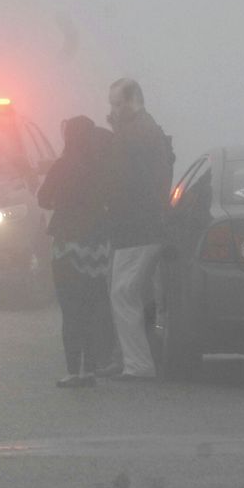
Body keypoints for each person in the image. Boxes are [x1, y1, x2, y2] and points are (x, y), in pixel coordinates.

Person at [102, 79, 175, 380]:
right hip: (145, 225)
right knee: (134, 294)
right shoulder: (148, 129)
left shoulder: (134, 134)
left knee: (122, 293)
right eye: (111, 104)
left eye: (117, 104)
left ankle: (138, 364)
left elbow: (123, 181)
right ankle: (136, 359)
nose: (113, 110)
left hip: (136, 227)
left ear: (133, 101)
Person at [37, 116, 114, 388]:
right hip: (97, 244)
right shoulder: (103, 165)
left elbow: (43, 198)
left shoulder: (64, 164)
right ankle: (90, 369)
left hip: (68, 244)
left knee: (71, 310)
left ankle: (72, 370)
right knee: (92, 307)